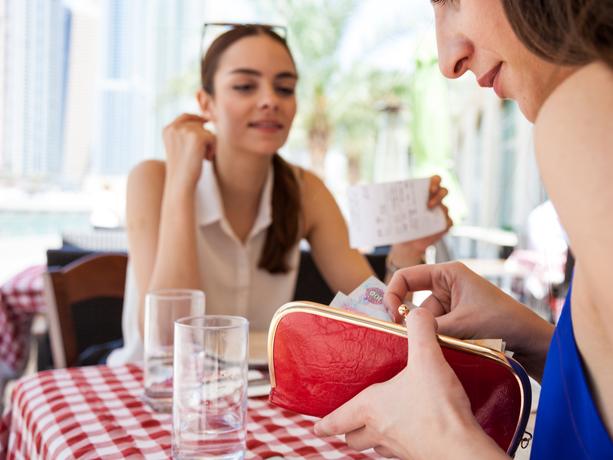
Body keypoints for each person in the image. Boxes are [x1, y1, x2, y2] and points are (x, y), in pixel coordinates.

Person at [314, 0, 613, 458]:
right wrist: (535, 338)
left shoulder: (582, 107)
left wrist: (439, 438)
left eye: (450, 1)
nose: (446, 61)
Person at [107, 24, 451, 365]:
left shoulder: (305, 191)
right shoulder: (154, 179)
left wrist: (408, 251)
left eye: (284, 88)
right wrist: (182, 181)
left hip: (252, 392)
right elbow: (167, 340)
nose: (270, 100)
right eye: (244, 86)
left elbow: (376, 317)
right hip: (150, 390)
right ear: (205, 103)